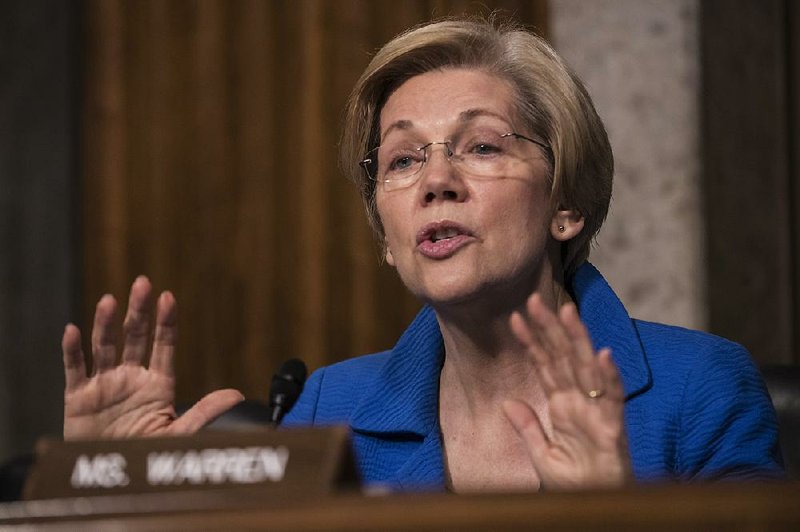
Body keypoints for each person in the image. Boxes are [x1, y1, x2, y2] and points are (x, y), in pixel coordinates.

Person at [62, 17, 783, 493]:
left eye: (482, 146)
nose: (436, 181)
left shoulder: (701, 392)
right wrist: (103, 493)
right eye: (403, 160)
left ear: (567, 203)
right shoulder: (324, 412)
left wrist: (608, 516)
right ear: (385, 233)